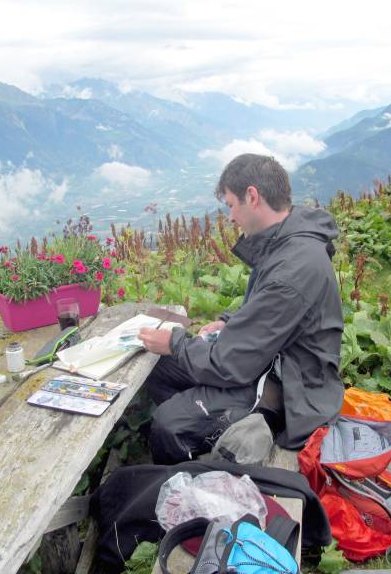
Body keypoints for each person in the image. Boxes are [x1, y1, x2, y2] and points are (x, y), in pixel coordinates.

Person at [138, 153, 344, 464]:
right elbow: (272, 311)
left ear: (252, 196)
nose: (231, 217)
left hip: (290, 390)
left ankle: (194, 471)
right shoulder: (286, 239)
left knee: (169, 425)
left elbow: (231, 364)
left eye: (232, 205)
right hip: (269, 359)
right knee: (159, 367)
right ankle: (208, 432)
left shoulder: (293, 267)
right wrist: (229, 321)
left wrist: (175, 342)